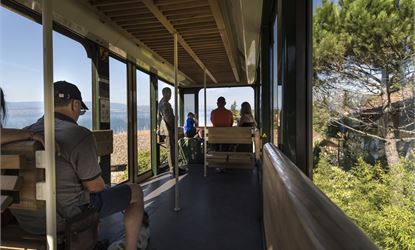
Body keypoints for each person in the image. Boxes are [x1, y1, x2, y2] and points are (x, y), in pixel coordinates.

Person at [9, 81, 144, 250]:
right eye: (81, 110)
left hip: (27, 221)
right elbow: (95, 188)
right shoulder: (79, 135)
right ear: (75, 104)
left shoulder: (24, 132)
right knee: (135, 192)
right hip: (63, 219)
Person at [157, 87, 187, 175]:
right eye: (169, 94)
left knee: (173, 149)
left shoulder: (163, 103)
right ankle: (173, 169)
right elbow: (168, 118)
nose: (170, 96)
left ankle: (175, 167)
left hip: (168, 130)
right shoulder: (165, 104)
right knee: (171, 150)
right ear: (165, 94)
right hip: (167, 131)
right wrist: (175, 126)